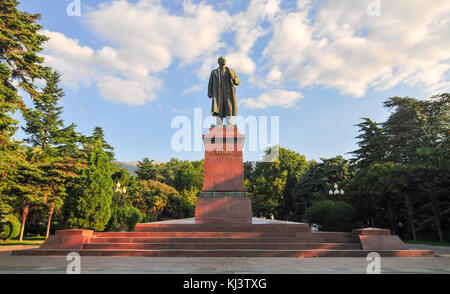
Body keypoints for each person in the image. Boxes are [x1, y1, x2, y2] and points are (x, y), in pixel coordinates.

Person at [208, 56, 240, 126]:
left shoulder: (231, 70)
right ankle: (219, 125)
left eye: (223, 60)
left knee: (229, 109)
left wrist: (235, 80)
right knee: (219, 109)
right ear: (218, 62)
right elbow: (210, 83)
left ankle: (230, 124)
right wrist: (210, 93)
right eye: (221, 60)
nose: (223, 60)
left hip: (228, 93)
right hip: (218, 94)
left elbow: (238, 80)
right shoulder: (214, 72)